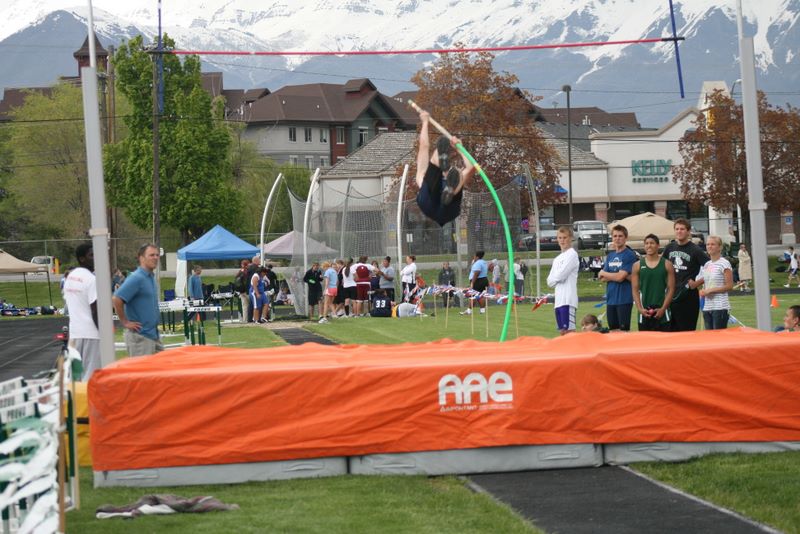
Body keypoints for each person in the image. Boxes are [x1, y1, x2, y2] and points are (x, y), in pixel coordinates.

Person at [414, 111, 476, 227]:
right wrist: (460, 150)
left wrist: (425, 122)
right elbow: (471, 168)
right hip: (448, 211)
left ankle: (448, 190)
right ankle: (449, 192)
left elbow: (424, 146)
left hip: (429, 205)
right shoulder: (454, 177)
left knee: (435, 169)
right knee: (459, 174)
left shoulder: (422, 177)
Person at [112, 244, 163, 356]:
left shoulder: (150, 277)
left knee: (164, 366)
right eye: (151, 255)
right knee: (143, 368)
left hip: (153, 335)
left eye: (157, 255)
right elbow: (117, 298)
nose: (155, 258)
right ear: (141, 258)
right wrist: (125, 322)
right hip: (140, 337)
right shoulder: (137, 278)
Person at [662, 218, 709, 331]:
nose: (679, 231)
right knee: (670, 331)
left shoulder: (695, 250)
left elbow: (712, 269)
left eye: (682, 229)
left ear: (688, 232)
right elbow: (662, 267)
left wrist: (697, 283)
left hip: (688, 295)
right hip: (671, 294)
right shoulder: (669, 247)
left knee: (687, 331)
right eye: (677, 229)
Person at [62, 243, 100, 381]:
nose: (95, 258)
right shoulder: (92, 279)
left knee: (75, 377)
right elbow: (95, 310)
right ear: (82, 258)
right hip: (92, 334)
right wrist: (104, 331)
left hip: (75, 334)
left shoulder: (70, 278)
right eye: (92, 255)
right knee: (91, 376)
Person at [631, 234, 676, 332]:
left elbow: (671, 289)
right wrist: (640, 309)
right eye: (646, 243)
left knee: (664, 340)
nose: (649, 245)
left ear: (658, 245)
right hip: (644, 312)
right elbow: (635, 290)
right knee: (646, 341)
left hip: (663, 312)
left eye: (652, 243)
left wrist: (663, 308)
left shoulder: (667, 264)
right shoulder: (637, 265)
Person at [598, 225, 637, 331]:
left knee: (623, 332)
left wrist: (606, 273)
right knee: (613, 331)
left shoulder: (629, 255)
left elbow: (619, 277)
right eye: (615, 236)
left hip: (624, 299)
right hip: (611, 299)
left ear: (626, 238)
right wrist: (617, 275)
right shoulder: (610, 256)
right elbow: (602, 278)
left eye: (620, 236)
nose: (617, 238)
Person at [690, 235, 733, 330]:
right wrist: (697, 286)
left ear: (720, 247)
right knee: (709, 337)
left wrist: (710, 291)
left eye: (713, 244)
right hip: (707, 307)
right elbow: (706, 281)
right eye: (708, 244)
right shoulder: (707, 265)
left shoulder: (724, 263)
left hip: (720, 307)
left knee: (718, 336)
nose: (709, 246)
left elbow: (729, 286)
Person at [546, 226, 579, 335]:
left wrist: (556, 277)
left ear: (570, 238)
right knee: (562, 332)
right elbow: (549, 282)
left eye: (565, 237)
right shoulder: (557, 259)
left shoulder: (572, 254)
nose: (562, 240)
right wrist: (557, 277)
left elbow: (562, 275)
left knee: (570, 332)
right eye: (560, 238)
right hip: (558, 301)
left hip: (568, 299)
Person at [462, 251, 489, 315]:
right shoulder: (484, 262)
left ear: (477, 257)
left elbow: (477, 273)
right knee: (481, 295)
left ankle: (469, 311)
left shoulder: (478, 263)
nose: (473, 257)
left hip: (478, 281)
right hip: (484, 280)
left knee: (473, 295)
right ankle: (482, 310)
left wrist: (472, 283)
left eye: (474, 256)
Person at [245, 256, 261, 322]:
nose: (260, 261)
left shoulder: (248, 268)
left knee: (251, 304)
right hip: (253, 288)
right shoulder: (255, 268)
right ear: (256, 261)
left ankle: (249, 319)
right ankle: (256, 318)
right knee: (255, 304)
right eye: (259, 260)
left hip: (249, 288)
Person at [234, 259, 250, 323]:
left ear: (242, 265)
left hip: (241, 291)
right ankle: (251, 318)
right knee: (252, 304)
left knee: (244, 306)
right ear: (247, 264)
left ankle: (245, 320)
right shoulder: (247, 271)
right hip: (247, 291)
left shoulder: (240, 271)